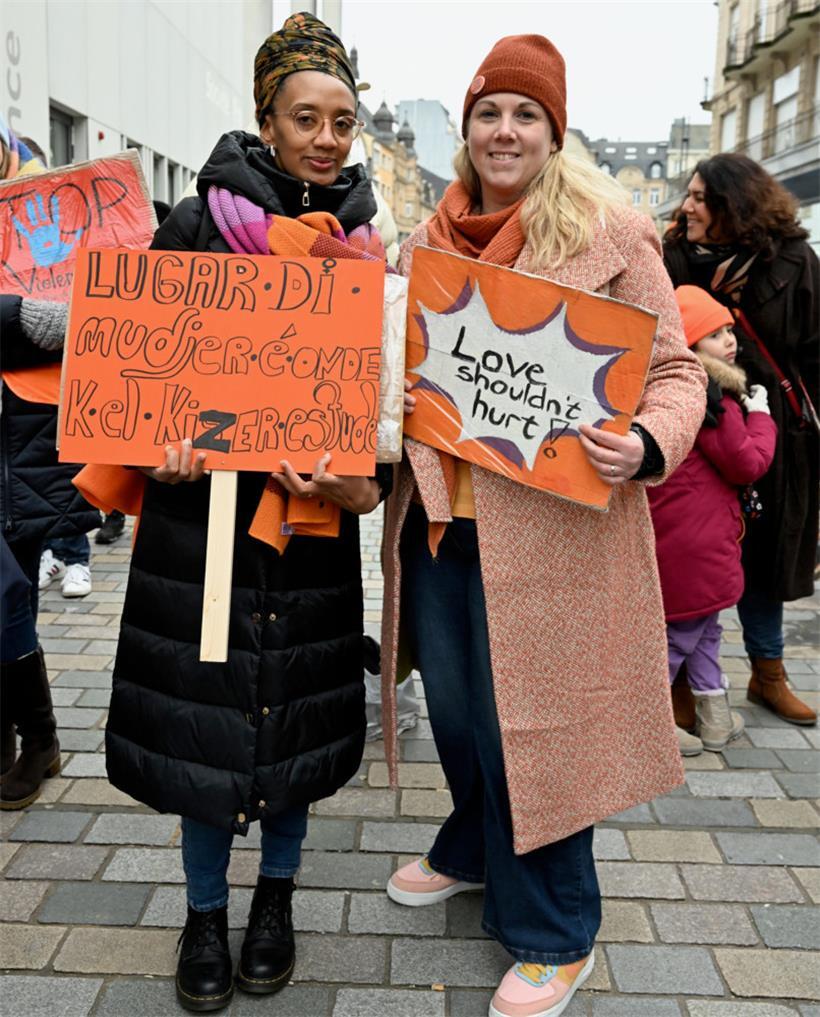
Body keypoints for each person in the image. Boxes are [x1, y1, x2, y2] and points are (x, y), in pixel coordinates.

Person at [379, 35, 706, 1017]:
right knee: (464, 720)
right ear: (466, 129)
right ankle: (475, 848)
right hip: (445, 530)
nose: (504, 130)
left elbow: (677, 374)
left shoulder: (609, 237)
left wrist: (647, 442)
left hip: (559, 539)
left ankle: (557, 928)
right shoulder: (424, 244)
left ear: (553, 134)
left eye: (526, 115)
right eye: (489, 113)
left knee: (545, 734)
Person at [73, 14, 391, 1014]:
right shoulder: (195, 227)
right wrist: (159, 451)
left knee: (290, 725)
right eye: (307, 118)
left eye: (343, 120)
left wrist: (356, 485)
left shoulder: (369, 252)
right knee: (209, 732)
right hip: (200, 533)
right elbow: (135, 379)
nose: (328, 139)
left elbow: (381, 420)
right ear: (266, 120)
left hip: (308, 535)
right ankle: (206, 912)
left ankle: (277, 904)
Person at [664, 153, 818, 727]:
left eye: (702, 198)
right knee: (694, 549)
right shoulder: (673, 256)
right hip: (690, 417)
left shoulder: (796, 261)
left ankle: (767, 671)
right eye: (690, 194)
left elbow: (815, 352)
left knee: (766, 547)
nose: (688, 206)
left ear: (736, 205)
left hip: (770, 423)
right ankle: (681, 683)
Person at [0, 118, 100, 809]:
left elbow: (77, 318)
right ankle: (27, 739)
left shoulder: (38, 217)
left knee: (10, 597)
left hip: (27, 448)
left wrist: (18, 318)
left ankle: (34, 739)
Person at [648, 286, 777, 757]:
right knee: (680, 634)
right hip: (697, 543)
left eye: (729, 330)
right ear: (689, 344)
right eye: (715, 333)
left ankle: (715, 717)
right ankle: (651, 727)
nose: (730, 341)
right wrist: (762, 417)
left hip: (687, 535)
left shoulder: (677, 391)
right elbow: (746, 462)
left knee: (703, 627)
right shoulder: (709, 398)